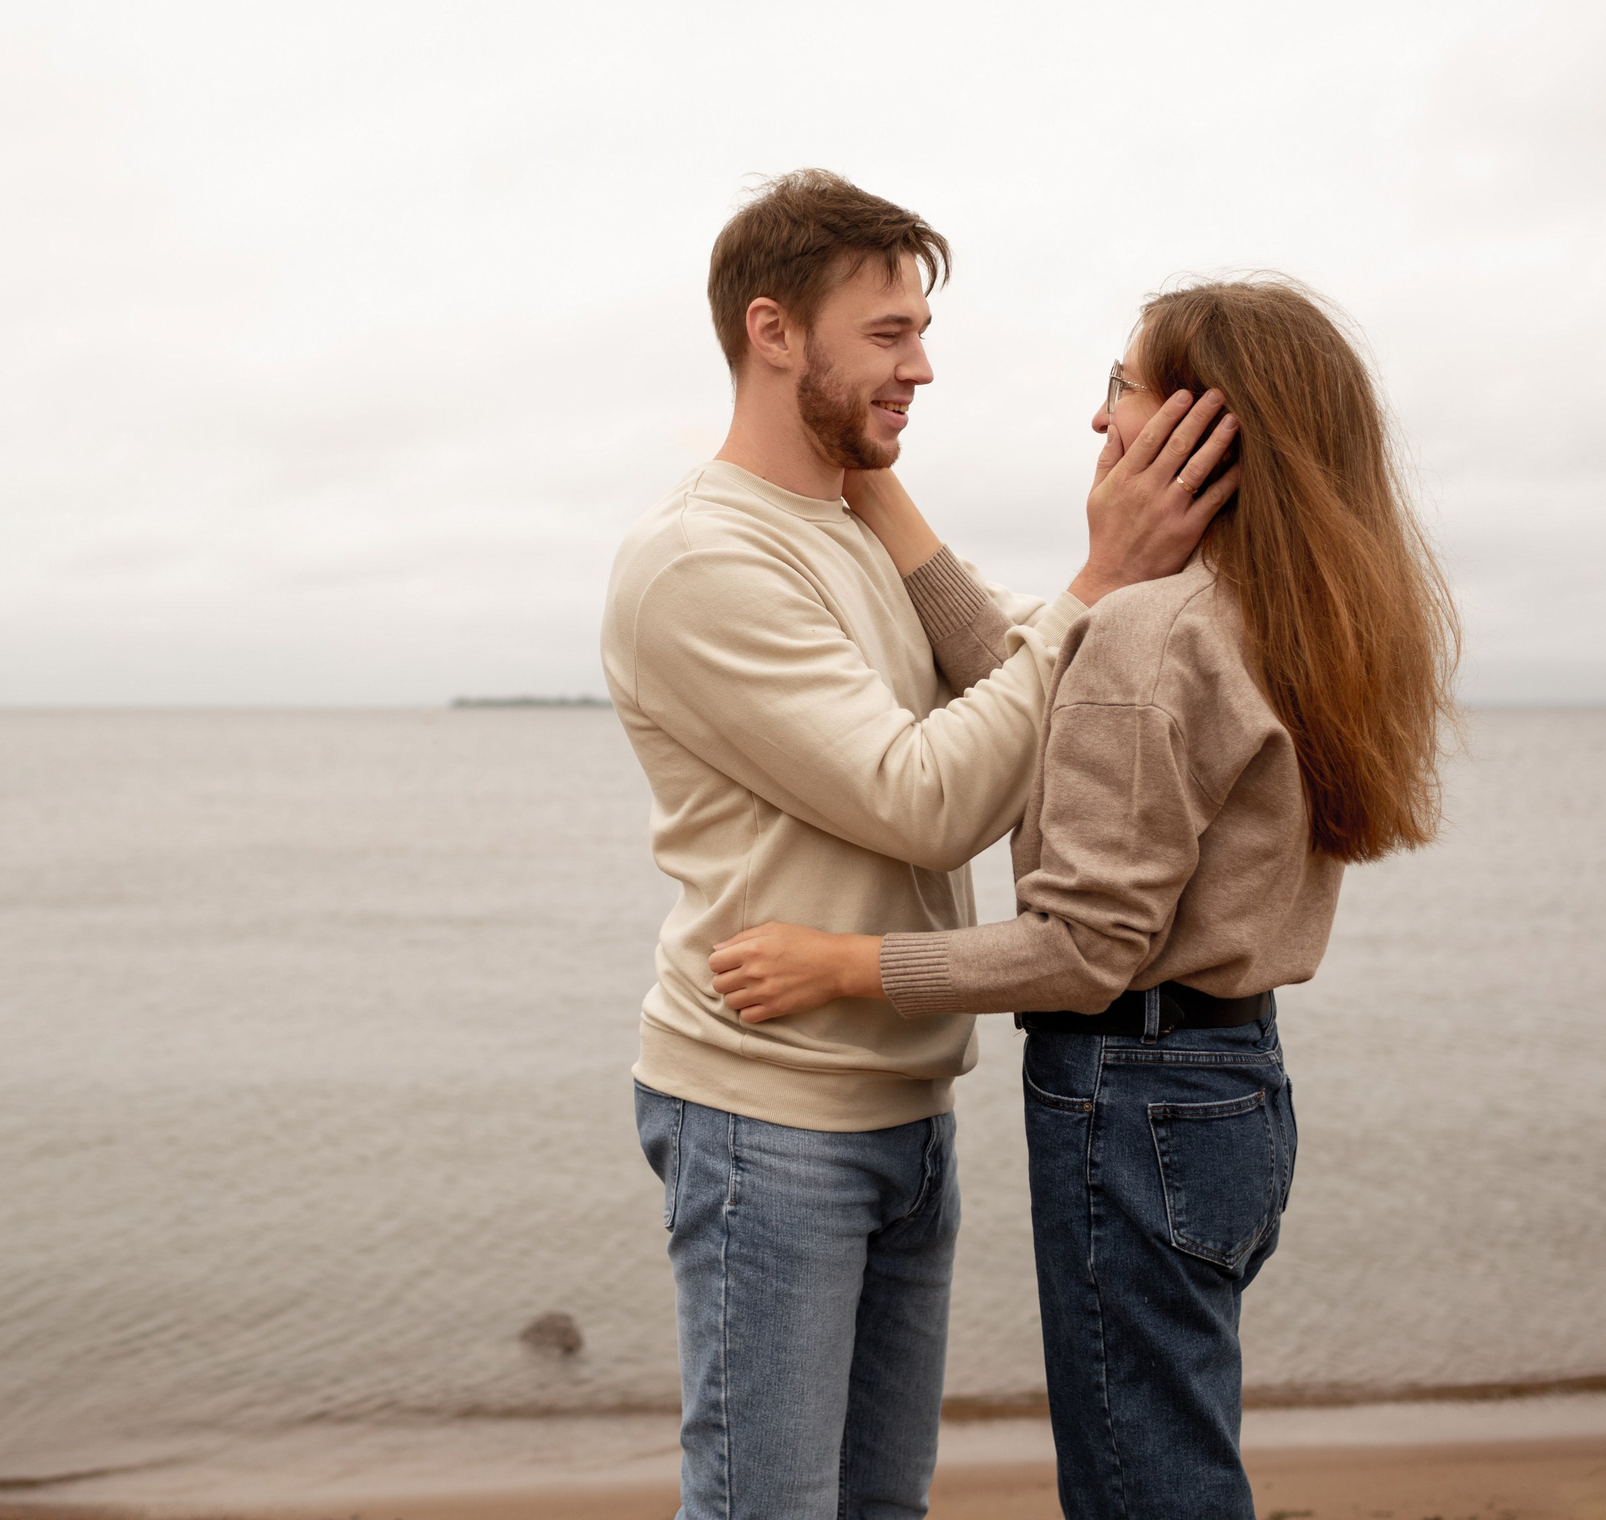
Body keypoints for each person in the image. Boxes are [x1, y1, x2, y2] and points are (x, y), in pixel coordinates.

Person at [709, 277, 1459, 1520]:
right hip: (1233, 1093)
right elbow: (1037, 680)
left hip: (1135, 1098)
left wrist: (847, 965)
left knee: (1141, 1489)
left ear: (1198, 428)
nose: (1098, 425)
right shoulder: (1283, 613)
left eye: (1120, 389)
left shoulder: (1156, 635)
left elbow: (1085, 949)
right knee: (1175, 1452)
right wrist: (876, 482)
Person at [601, 170, 1238, 1520]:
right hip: (766, 1115)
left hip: (902, 1104)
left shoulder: (843, 529)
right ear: (776, 332)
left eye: (921, 330)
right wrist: (1096, 580)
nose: (923, 365)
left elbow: (1025, 683)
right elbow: (929, 796)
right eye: (889, 332)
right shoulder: (703, 561)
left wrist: (966, 543)